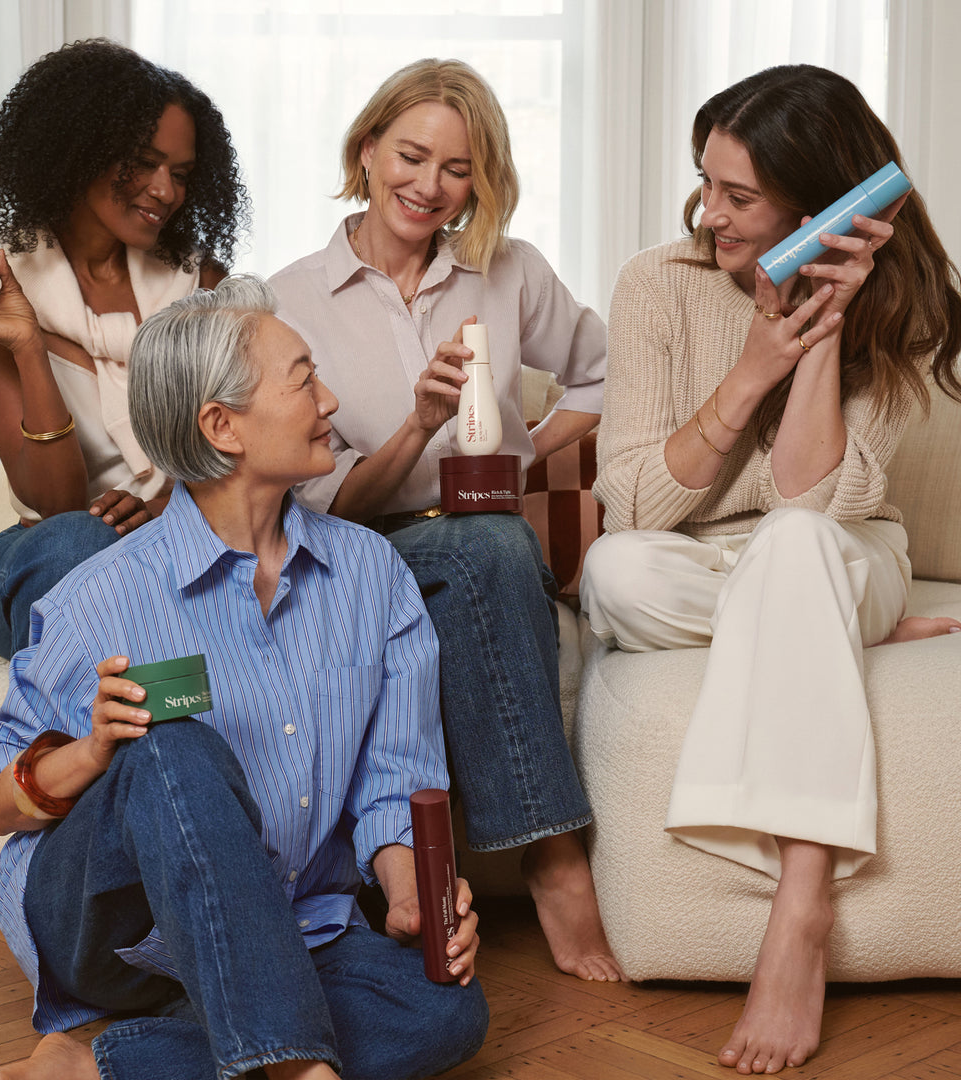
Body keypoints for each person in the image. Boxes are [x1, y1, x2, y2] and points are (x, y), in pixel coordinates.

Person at [0, 275, 488, 1080]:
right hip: (114, 932)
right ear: (222, 426)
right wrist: (97, 750)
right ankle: (293, 1069)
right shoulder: (103, 595)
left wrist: (409, 894)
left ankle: (96, 1067)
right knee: (169, 747)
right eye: (303, 379)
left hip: (289, 928)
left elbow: (396, 780)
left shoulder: (371, 576)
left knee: (445, 1009)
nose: (330, 398)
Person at [578, 64, 961, 1074]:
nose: (712, 213)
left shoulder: (894, 300)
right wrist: (752, 366)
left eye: (740, 196)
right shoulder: (657, 284)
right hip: (696, 558)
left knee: (793, 547)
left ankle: (799, 914)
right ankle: (826, 628)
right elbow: (636, 505)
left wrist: (828, 320)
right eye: (706, 183)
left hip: (843, 545)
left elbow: (805, 502)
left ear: (819, 197)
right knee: (615, 572)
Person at [270, 58, 619, 982]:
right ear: (366, 149)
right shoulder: (289, 298)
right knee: (486, 548)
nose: (430, 186)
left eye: (457, 169)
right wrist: (419, 426)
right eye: (412, 156)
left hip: (487, 542)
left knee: (490, 544)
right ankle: (552, 858)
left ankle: (536, 857)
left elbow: (602, 370)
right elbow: (323, 494)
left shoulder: (507, 274)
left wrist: (524, 454)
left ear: (482, 179)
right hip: (361, 544)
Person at [0, 38, 246, 659]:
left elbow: (244, 444)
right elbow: (52, 503)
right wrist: (26, 343)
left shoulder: (204, 287)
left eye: (180, 174)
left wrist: (167, 506)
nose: (165, 191)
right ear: (79, 151)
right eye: (142, 162)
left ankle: (110, 744)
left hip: (175, 545)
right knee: (80, 540)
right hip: (42, 549)